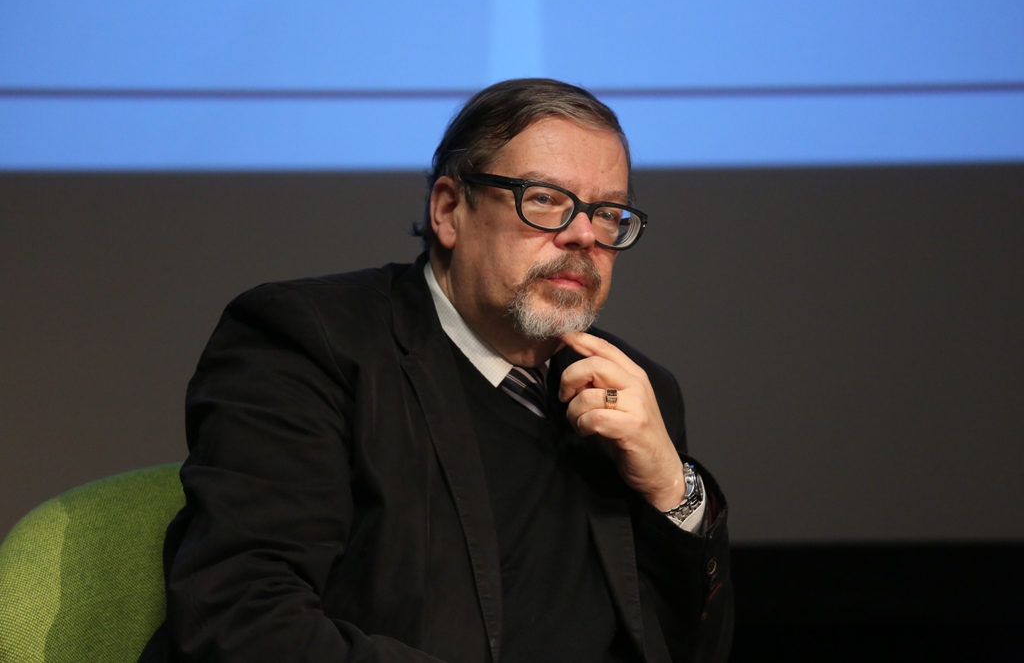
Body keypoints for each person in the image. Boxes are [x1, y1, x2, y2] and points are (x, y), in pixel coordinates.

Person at [140, 78, 732, 663]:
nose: (583, 235)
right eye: (545, 199)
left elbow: (693, 649)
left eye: (607, 213)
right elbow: (241, 618)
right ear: (449, 210)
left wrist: (673, 491)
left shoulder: (633, 391)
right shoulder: (309, 341)